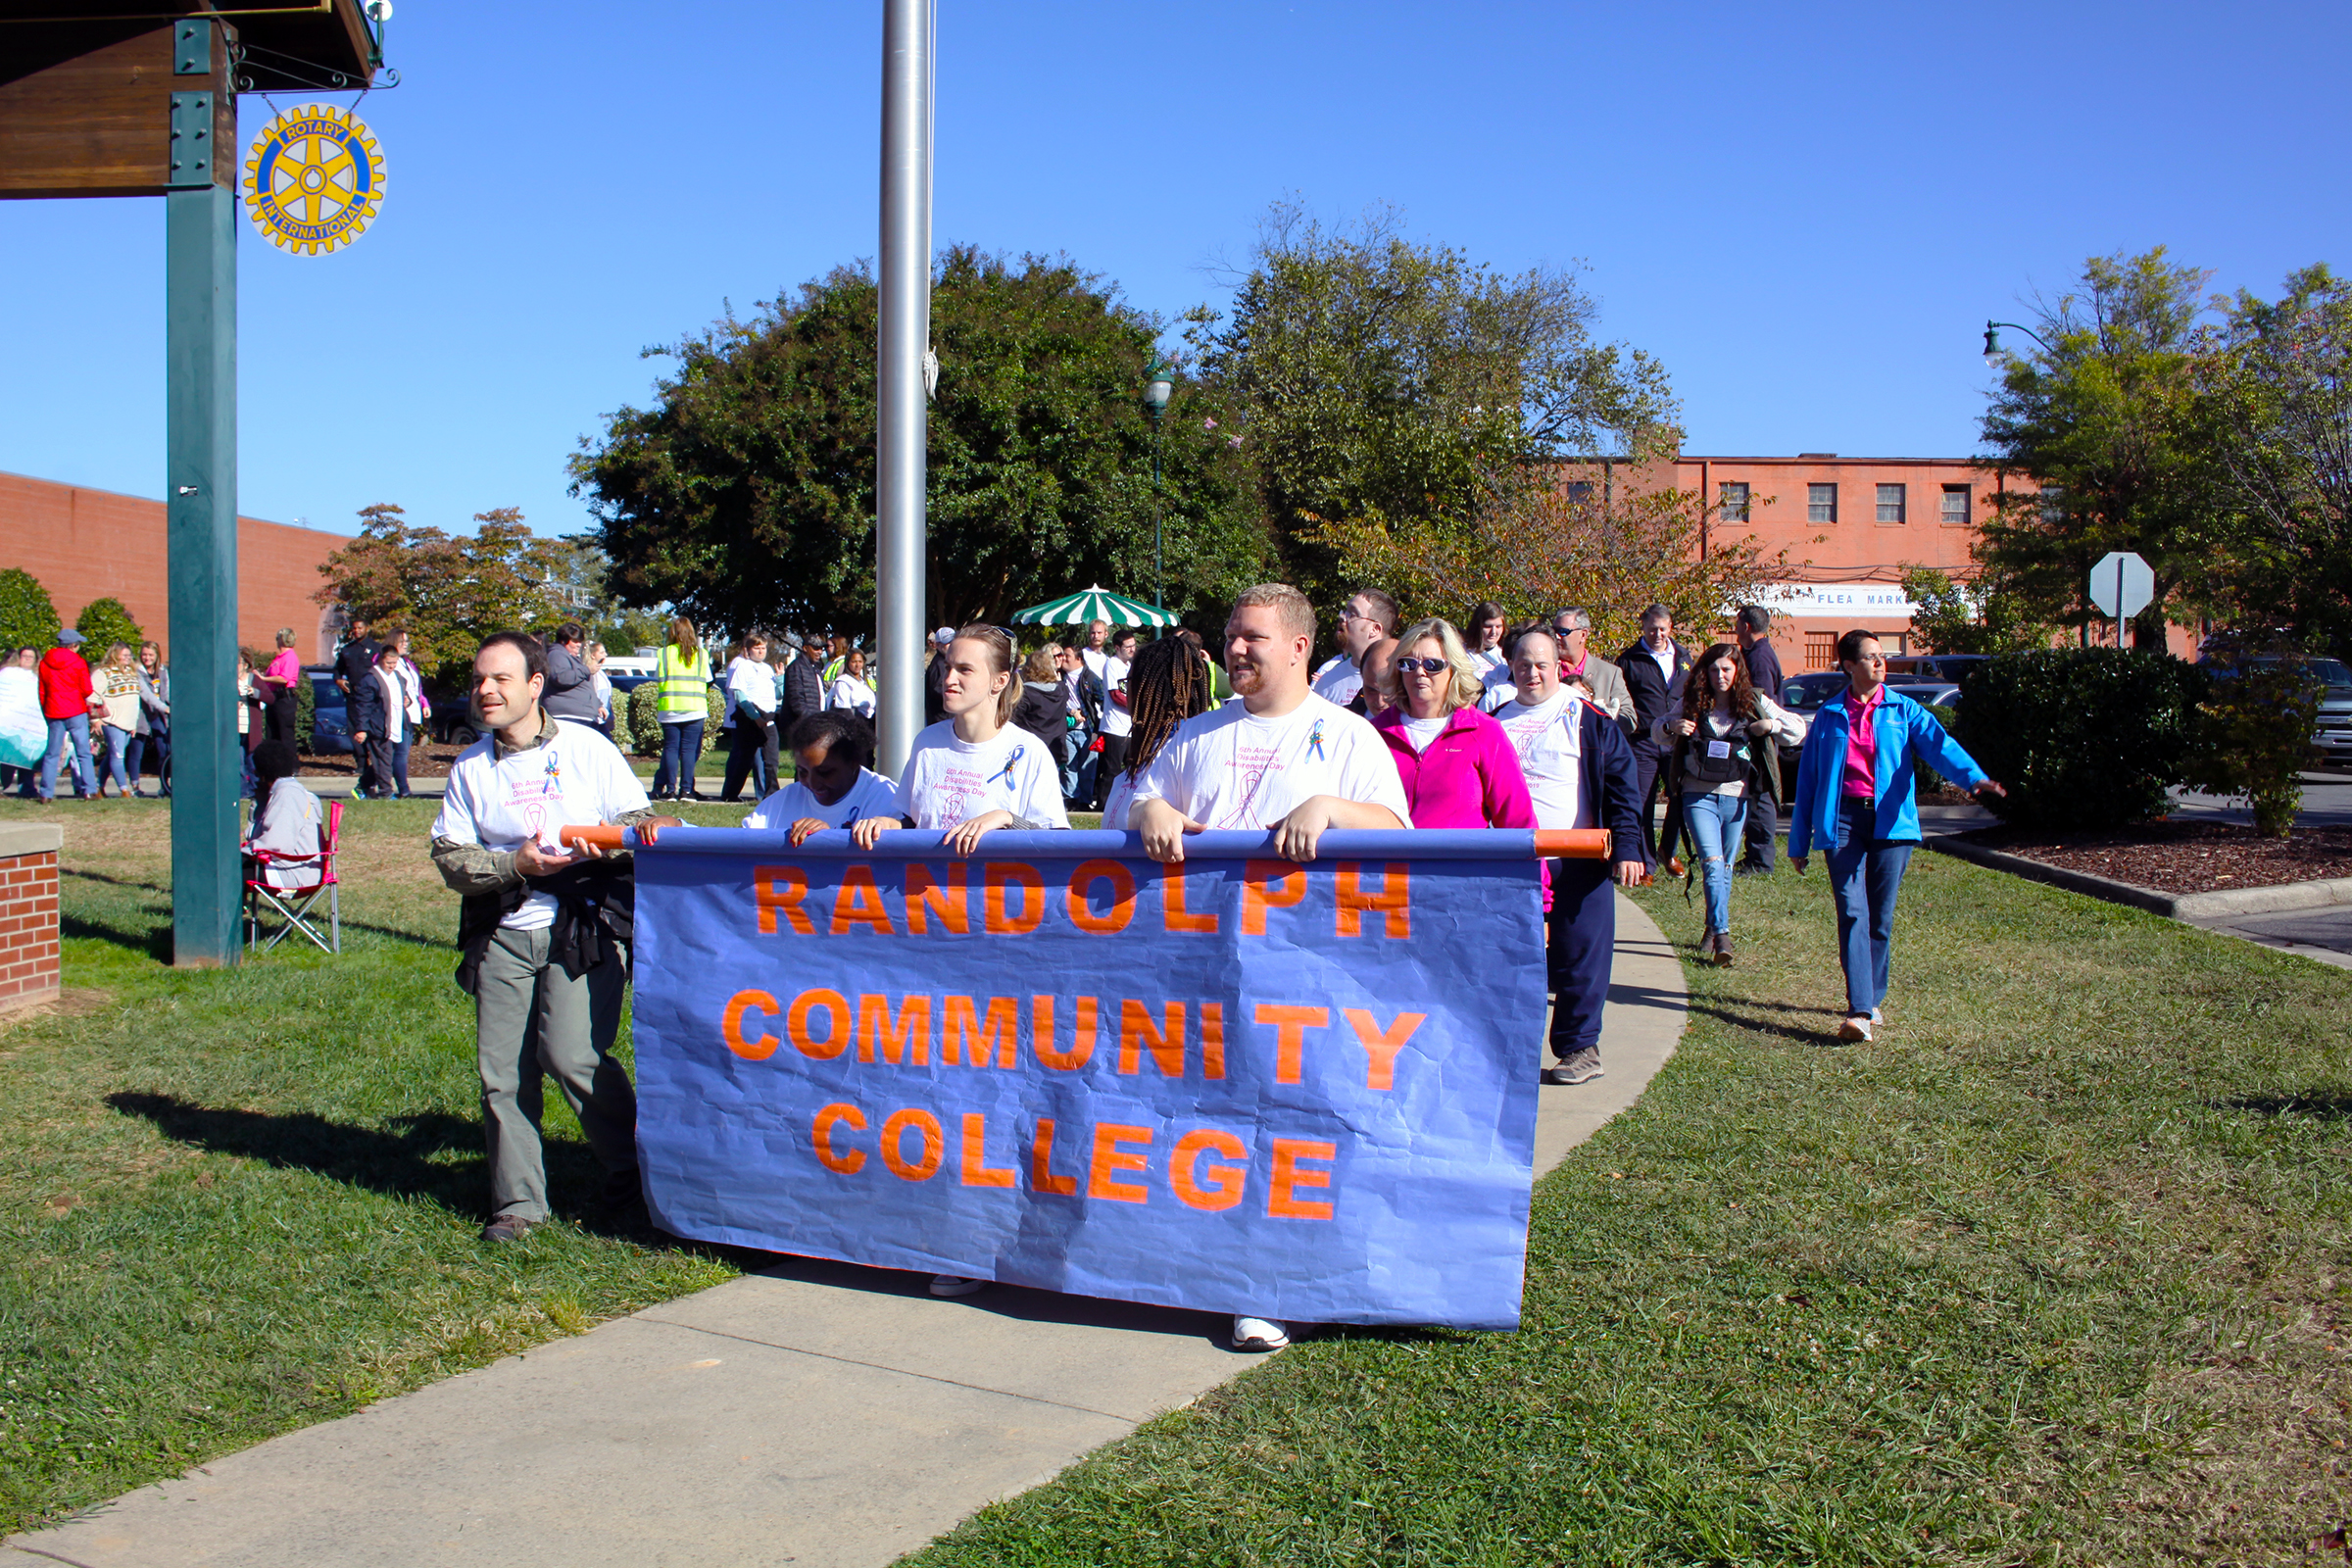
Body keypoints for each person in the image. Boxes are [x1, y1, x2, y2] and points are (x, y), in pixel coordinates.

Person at [1130, 583, 1409, 1353]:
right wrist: (1148, 810)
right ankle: (1211, 1266)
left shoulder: (1348, 737)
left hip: (1307, 980)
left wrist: (1332, 809)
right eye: (1230, 635)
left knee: (1291, 1131)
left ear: (1297, 648)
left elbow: (1396, 828)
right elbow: (1147, 804)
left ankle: (1274, 1285)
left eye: (1253, 636)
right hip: (1203, 975)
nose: (1236, 648)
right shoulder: (1196, 735)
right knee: (1210, 1127)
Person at [431, 631, 679, 1244]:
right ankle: (518, 1205)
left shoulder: (587, 748)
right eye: (479, 681)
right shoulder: (470, 767)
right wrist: (516, 865)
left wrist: (617, 836)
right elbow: (451, 858)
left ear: (535, 685)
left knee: (574, 1057)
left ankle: (633, 1168)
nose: (485, 691)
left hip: (583, 926)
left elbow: (638, 821)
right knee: (503, 1075)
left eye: (500, 680)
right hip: (503, 933)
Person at [1789, 630, 2005, 1042]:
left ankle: (1872, 997)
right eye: (1870, 657)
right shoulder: (1830, 716)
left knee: (1880, 915)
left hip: (1892, 823)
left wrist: (1974, 779)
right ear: (1849, 666)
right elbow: (1809, 783)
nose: (1880, 663)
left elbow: (1941, 746)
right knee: (1853, 911)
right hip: (1844, 822)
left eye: (1881, 656)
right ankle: (1860, 1010)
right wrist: (1799, 842)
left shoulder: (1904, 710)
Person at [1493, 625, 1645, 1087]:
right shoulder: (1493, 721)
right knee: (1512, 960)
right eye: (1523, 665)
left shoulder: (1588, 719)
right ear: (1511, 668)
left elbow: (1623, 787)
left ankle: (1580, 1049)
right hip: (1512, 861)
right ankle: (1506, 1051)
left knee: (1582, 955)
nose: (1532, 674)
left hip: (1578, 858)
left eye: (1541, 665)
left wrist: (1629, 848)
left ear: (1559, 667)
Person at [1655, 642, 1802, 966]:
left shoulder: (1754, 702)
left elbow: (1797, 730)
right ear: (1703, 673)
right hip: (1697, 794)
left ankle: (1710, 928)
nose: (1720, 676)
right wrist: (1671, 726)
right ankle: (1722, 934)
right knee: (1711, 861)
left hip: (1737, 795)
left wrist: (1772, 726)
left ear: (1737, 672)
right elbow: (1657, 731)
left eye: (1726, 669)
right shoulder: (1691, 703)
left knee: (1724, 867)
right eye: (1713, 669)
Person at [1371, 617, 1536, 836]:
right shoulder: (1372, 734)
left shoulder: (1485, 733)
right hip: (1390, 867)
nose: (1419, 672)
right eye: (1408, 664)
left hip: (1461, 868)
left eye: (1432, 665)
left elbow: (1519, 824)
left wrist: (1536, 869)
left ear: (1454, 670)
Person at [1098, 634, 1217, 830]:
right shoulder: (1144, 753)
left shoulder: (1182, 756)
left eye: (1129, 682)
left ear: (1144, 690)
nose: (1126, 689)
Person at [1616, 604, 1691, 872]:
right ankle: (1647, 864)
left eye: (1662, 629)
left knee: (1680, 797)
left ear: (1670, 627)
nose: (1657, 634)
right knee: (1642, 803)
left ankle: (1667, 851)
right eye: (1652, 629)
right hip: (1643, 741)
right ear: (1643, 627)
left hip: (1676, 741)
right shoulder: (1629, 660)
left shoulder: (1685, 657)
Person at [744, 709, 898, 841]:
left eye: (824, 772)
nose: (812, 783)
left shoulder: (885, 797)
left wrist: (829, 839)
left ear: (853, 762)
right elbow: (743, 845)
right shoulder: (784, 800)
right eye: (802, 772)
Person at [1733, 605, 1786, 875]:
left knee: (1761, 796)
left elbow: (1761, 701)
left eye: (1737, 622)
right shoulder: (1752, 653)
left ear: (1747, 627)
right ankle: (1753, 855)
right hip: (1752, 735)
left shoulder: (1760, 657)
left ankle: (1761, 860)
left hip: (1760, 737)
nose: (1734, 627)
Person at [242, 740, 322, 888]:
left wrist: (245, 851)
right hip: (299, 867)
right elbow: (255, 835)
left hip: (291, 872)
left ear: (262, 773)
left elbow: (276, 845)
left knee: (226, 866)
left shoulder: (287, 794)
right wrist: (259, 801)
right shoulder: (292, 790)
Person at [652, 615, 712, 802]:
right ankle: (686, 791)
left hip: (670, 708)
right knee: (688, 751)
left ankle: (670, 790)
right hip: (695, 708)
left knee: (670, 749)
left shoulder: (664, 653)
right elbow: (708, 680)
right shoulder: (701, 654)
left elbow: (658, 678)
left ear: (673, 633)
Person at [1309, 586, 1397, 708]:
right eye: (1345, 611)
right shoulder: (1327, 681)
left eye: (1353, 614)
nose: (1342, 617)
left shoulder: (1402, 678)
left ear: (1374, 629)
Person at [37, 628, 98, 804]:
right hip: (75, 710)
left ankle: (46, 793)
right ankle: (89, 790)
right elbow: (87, 689)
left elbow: (42, 691)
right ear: (72, 645)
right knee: (83, 753)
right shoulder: (78, 662)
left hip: (54, 711)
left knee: (52, 754)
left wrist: (46, 709)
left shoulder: (44, 662)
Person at [720, 631, 780, 804]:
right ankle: (730, 794)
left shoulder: (768, 669)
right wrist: (755, 717)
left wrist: (781, 680)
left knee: (772, 758)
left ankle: (772, 795)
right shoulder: (743, 666)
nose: (761, 651)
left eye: (763, 648)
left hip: (768, 715)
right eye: (757, 648)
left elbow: (776, 693)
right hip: (749, 716)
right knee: (745, 758)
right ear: (748, 650)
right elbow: (739, 695)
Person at [1087, 627, 1139, 810]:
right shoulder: (1112, 664)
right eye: (1128, 647)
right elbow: (1116, 694)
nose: (1132, 649)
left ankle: (1125, 804)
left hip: (1129, 727)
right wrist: (1136, 706)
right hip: (1114, 727)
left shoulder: (1130, 666)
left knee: (1133, 769)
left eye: (1134, 645)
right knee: (1112, 770)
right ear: (1117, 648)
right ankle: (1103, 806)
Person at [335, 616, 384, 795]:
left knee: (371, 731)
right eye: (354, 628)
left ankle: (376, 765)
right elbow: (337, 670)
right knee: (354, 731)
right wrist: (339, 681)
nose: (356, 631)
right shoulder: (347, 650)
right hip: (353, 696)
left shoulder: (376, 649)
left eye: (360, 628)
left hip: (372, 699)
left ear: (367, 628)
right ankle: (361, 764)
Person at [370, 642, 418, 799]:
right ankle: (393, 791)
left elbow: (411, 691)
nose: (392, 666)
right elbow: (366, 704)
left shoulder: (404, 668)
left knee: (391, 756)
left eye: (394, 663)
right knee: (388, 757)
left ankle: (364, 785)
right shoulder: (375, 676)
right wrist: (362, 727)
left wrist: (409, 701)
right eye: (403, 641)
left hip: (402, 719)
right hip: (383, 722)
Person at [94, 643, 141, 799]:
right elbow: (92, 696)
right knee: (118, 756)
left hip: (128, 723)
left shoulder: (132, 673)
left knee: (112, 755)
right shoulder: (103, 673)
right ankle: (124, 790)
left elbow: (134, 699)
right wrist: (96, 719)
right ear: (114, 655)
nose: (128, 658)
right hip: (111, 721)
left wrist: (133, 724)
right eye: (124, 655)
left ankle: (99, 787)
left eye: (130, 655)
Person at [1012, 646, 1069, 769]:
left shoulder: (1026, 693)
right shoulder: (1062, 689)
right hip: (1055, 750)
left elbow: (1013, 719)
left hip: (1030, 750)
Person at [0, 649, 45, 798]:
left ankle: (27, 789)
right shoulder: (8, 673)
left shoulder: (38, 676)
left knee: (27, 757)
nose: (27, 659)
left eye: (30, 657)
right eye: (24, 656)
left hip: (30, 725)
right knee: (5, 757)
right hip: (8, 723)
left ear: (36, 659)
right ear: (18, 657)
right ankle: (1, 785)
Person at [543, 622, 603, 726]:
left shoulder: (571, 658)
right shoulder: (557, 654)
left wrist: (598, 705)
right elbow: (561, 678)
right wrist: (586, 670)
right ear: (563, 641)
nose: (578, 644)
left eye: (580, 641)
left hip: (580, 715)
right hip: (567, 716)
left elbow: (586, 687)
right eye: (574, 641)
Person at [132, 641, 171, 798]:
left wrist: (172, 705)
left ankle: (164, 786)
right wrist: (165, 708)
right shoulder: (136, 672)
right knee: (136, 751)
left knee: (164, 749)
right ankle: (134, 787)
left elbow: (166, 693)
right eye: (144, 654)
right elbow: (147, 696)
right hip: (140, 716)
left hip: (158, 716)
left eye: (150, 655)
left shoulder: (162, 671)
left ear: (157, 656)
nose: (147, 658)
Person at [263, 628, 301, 747]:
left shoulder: (290, 657)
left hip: (284, 699)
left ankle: (290, 764)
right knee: (272, 733)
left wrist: (262, 679)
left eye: (278, 637)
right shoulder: (279, 658)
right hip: (273, 698)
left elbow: (284, 679)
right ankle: (275, 762)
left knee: (284, 734)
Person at [829, 647, 876, 718]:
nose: (857, 665)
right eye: (854, 662)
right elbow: (844, 711)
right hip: (855, 723)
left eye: (860, 661)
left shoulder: (864, 682)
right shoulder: (843, 682)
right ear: (847, 662)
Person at [923, 626, 956, 726]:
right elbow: (937, 689)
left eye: (953, 642)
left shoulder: (947, 663)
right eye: (947, 643)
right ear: (937, 645)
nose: (951, 646)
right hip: (941, 720)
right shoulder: (939, 664)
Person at [586, 642, 615, 736]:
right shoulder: (590, 673)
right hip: (594, 720)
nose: (605, 655)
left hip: (603, 720)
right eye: (601, 652)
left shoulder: (601, 673)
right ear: (593, 655)